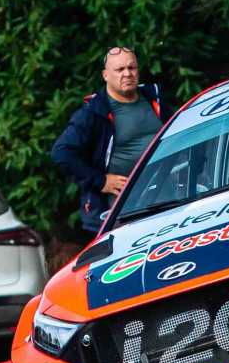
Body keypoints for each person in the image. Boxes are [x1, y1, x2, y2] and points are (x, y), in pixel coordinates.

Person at [51, 47, 167, 236]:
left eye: (132, 67)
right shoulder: (94, 112)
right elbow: (61, 152)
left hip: (166, 196)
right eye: (119, 69)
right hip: (119, 211)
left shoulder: (154, 98)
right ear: (105, 75)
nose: (127, 73)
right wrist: (101, 180)